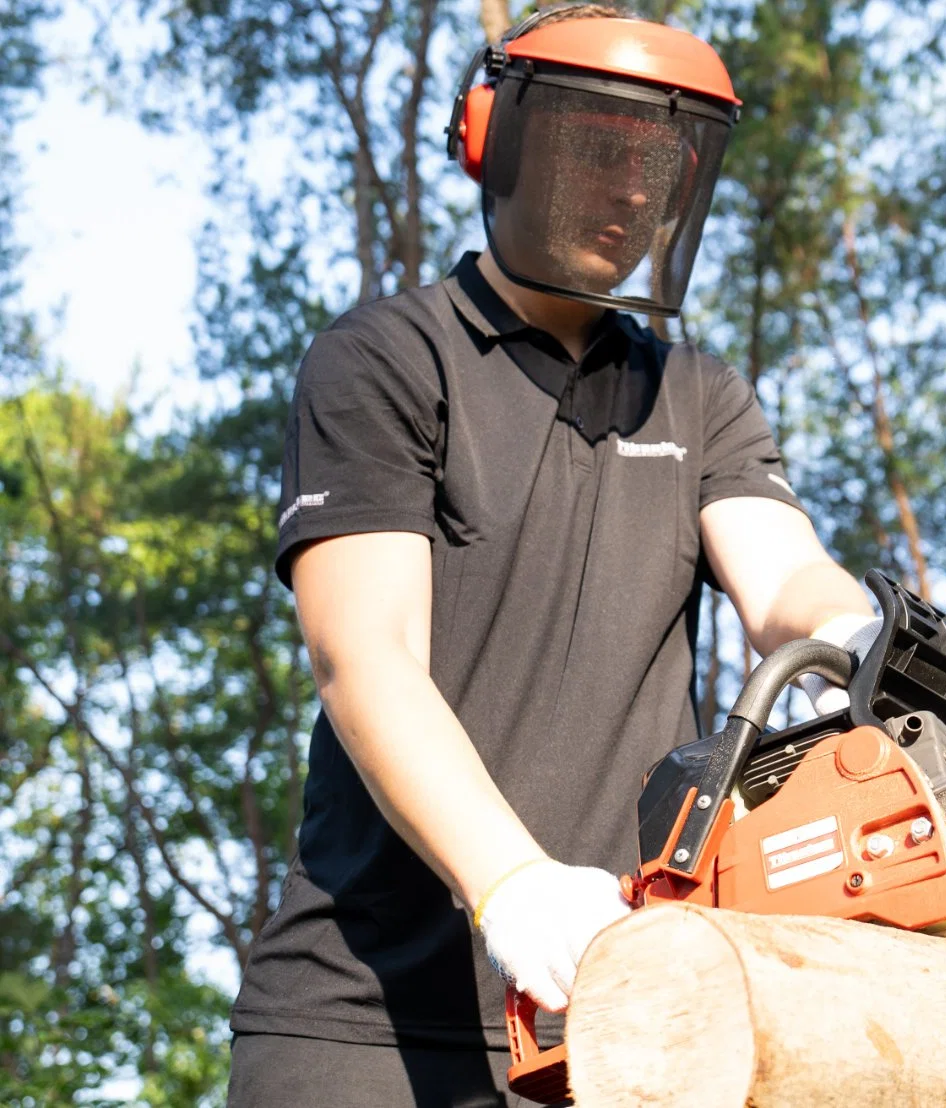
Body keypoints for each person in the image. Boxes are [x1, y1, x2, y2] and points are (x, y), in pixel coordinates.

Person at [226, 6, 879, 1105]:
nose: (634, 195)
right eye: (601, 153)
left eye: (660, 168)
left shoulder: (699, 397)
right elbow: (366, 654)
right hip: (362, 1027)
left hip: (621, 1024)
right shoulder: (389, 360)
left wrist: (857, 636)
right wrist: (511, 883)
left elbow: (783, 580)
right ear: (499, 139)